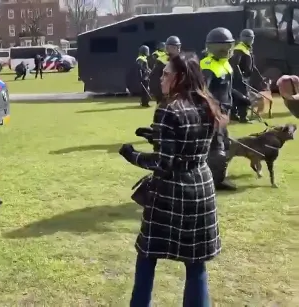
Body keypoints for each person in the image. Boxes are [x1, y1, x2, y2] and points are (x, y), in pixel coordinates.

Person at [120, 53, 225, 307]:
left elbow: (162, 163)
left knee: (147, 256)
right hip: (201, 187)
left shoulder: (168, 109)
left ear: (178, 78)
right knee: (195, 264)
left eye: (166, 74)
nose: (161, 77)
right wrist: (156, 137)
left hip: (171, 191)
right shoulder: (207, 103)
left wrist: (132, 155)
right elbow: (188, 146)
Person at [200, 27, 237, 191]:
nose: (229, 50)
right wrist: (214, 111)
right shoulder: (207, 66)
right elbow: (203, 92)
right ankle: (213, 181)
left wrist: (242, 100)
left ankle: (218, 178)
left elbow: (227, 89)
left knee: (225, 145)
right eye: (226, 47)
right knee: (216, 148)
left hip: (224, 112)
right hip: (214, 114)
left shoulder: (225, 64)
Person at [230, 29, 255, 123]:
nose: (251, 40)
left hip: (242, 78)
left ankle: (234, 115)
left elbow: (251, 65)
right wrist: (241, 77)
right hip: (239, 78)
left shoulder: (246, 48)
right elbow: (234, 64)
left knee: (236, 97)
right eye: (250, 38)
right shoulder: (239, 49)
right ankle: (243, 117)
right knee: (243, 98)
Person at [150, 36, 181, 104]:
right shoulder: (161, 61)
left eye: (178, 47)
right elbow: (155, 80)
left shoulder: (181, 61)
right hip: (165, 96)